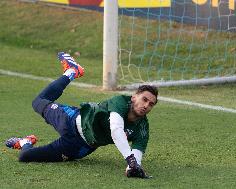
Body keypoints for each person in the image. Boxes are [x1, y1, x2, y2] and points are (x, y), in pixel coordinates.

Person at [5, 52, 158, 179]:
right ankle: (72, 71)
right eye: (144, 99)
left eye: (151, 104)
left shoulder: (143, 128)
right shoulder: (120, 102)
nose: (146, 105)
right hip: (70, 120)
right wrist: (131, 161)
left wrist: (133, 167)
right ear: (133, 97)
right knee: (38, 102)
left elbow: (136, 155)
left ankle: (25, 142)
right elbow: (116, 130)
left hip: (80, 148)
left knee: (25, 157)